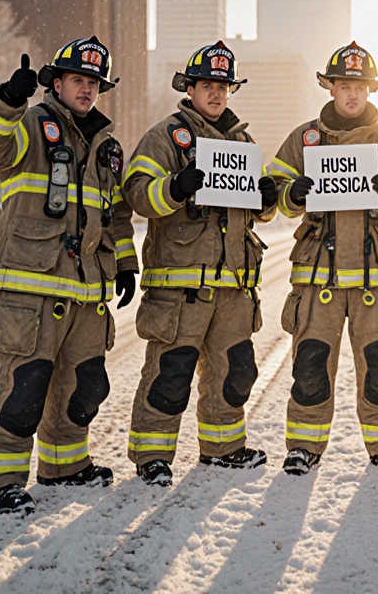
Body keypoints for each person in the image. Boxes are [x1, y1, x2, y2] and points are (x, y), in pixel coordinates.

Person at [0, 36, 137, 514]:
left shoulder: (108, 145)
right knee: (23, 389)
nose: (87, 90)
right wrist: (8, 98)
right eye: (78, 80)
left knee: (82, 387)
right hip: (32, 287)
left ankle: (65, 467)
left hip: (88, 292)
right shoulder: (30, 124)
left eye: (94, 83)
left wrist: (124, 262)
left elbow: (115, 214)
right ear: (56, 82)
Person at [122, 41, 277, 487]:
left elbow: (249, 212)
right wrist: (173, 186)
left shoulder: (243, 143)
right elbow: (136, 194)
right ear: (189, 88)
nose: (215, 93)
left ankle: (224, 448)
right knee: (170, 375)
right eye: (207, 85)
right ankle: (152, 456)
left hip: (233, 286)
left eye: (223, 87)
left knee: (235, 371)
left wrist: (265, 203)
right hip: (181, 288)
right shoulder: (166, 135)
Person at [268, 42, 378, 476]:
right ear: (330, 88)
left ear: (370, 90)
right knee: (310, 364)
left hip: (376, 276)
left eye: (360, 87)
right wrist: (291, 192)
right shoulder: (304, 139)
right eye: (343, 86)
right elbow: (272, 194)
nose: (352, 95)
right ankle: (304, 447)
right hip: (318, 274)